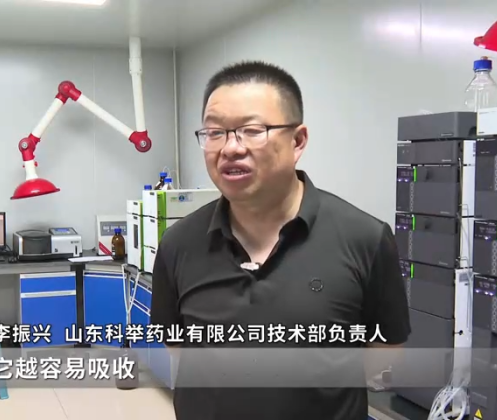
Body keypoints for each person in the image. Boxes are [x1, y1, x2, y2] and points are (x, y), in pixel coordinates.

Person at [150, 60, 411, 420]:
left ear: (297, 141)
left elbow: (386, 345)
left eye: (252, 130)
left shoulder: (364, 238)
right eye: (214, 132)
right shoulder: (179, 243)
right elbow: (178, 345)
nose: (230, 148)